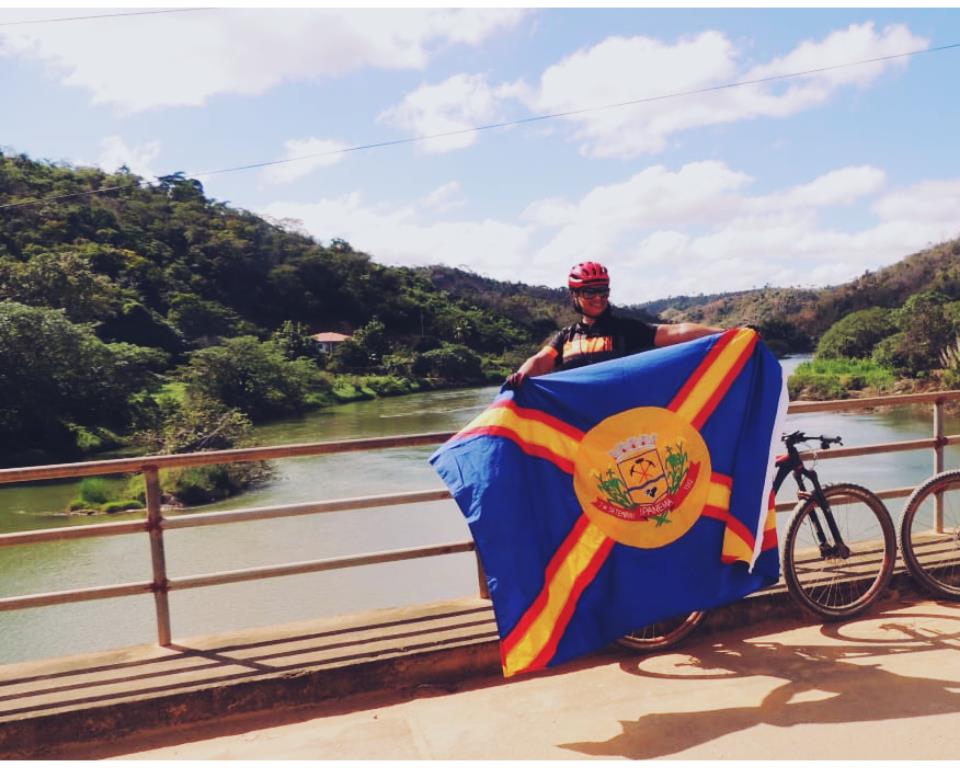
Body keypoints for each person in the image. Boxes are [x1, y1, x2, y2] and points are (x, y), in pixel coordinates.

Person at [505, 261, 727, 388]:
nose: (598, 297)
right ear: (575, 295)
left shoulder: (625, 330)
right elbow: (541, 361)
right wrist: (520, 377)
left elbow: (677, 331)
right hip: (579, 428)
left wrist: (728, 334)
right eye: (590, 291)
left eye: (603, 291)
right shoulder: (566, 338)